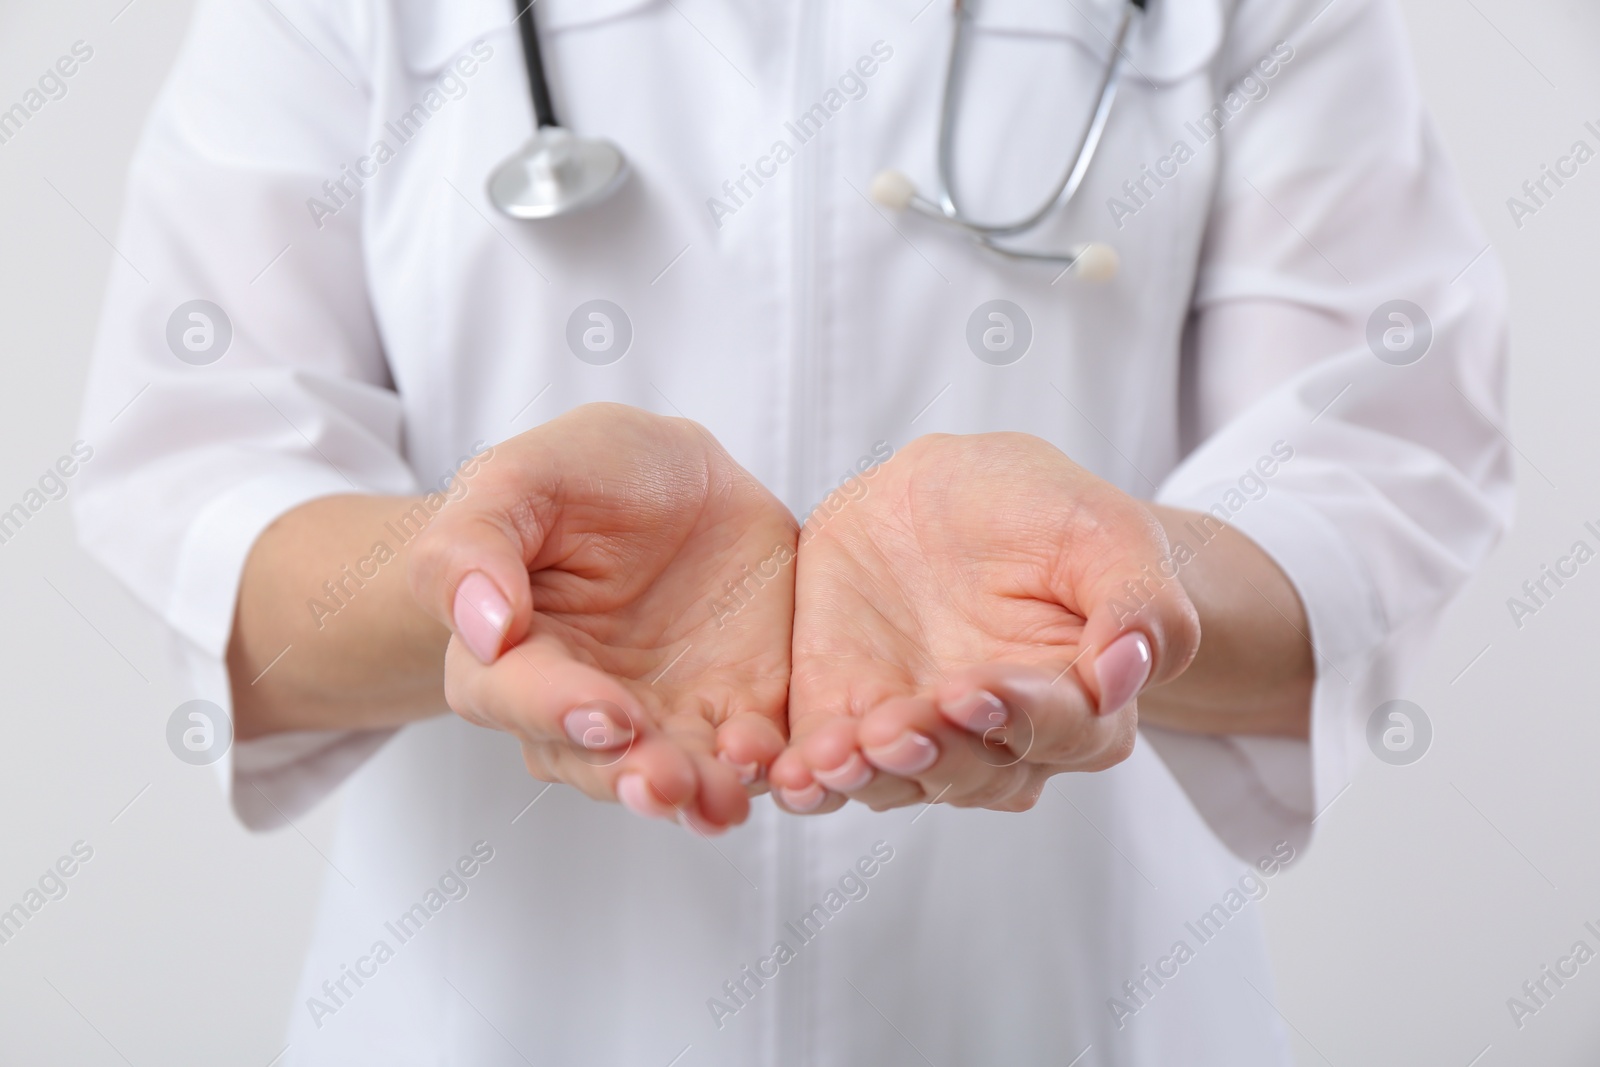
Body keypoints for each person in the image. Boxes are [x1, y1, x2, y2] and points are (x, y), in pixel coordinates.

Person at [75, 0, 1510, 1062]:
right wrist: (475, 583)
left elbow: (1377, 460)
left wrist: (1122, 587)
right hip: (498, 1014)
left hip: (1070, 1008)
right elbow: (197, 480)